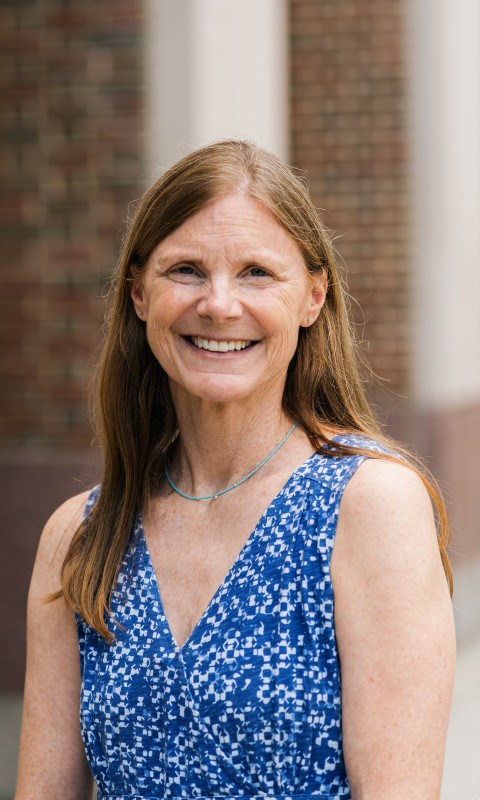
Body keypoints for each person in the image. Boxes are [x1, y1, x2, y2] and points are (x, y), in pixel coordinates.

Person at [16, 140, 455, 800]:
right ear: (139, 294)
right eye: (186, 270)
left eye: (256, 272)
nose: (219, 304)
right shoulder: (77, 538)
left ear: (313, 297)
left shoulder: (368, 507)